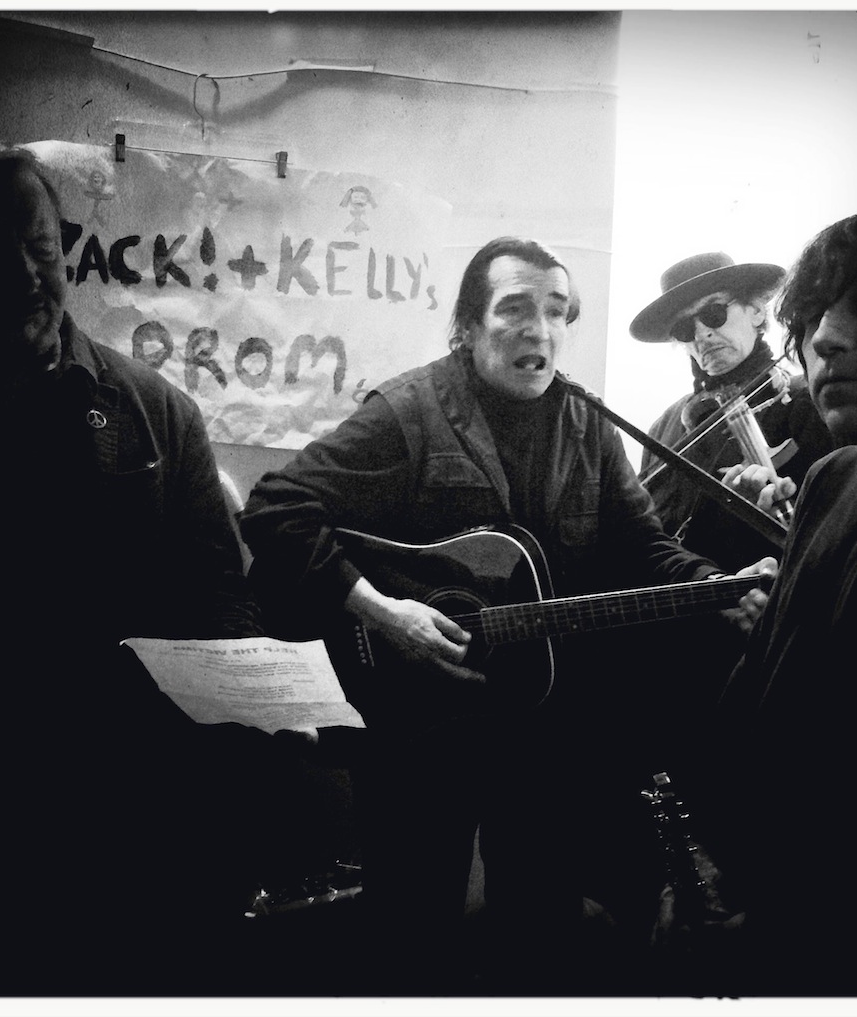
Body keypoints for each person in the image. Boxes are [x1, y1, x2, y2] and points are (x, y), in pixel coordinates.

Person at [238, 236, 771, 994]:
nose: (540, 331)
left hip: (545, 731)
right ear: (467, 325)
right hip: (416, 727)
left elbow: (644, 550)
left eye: (557, 312)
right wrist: (383, 610)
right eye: (515, 309)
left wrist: (722, 585)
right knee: (410, 928)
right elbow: (278, 508)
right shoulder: (407, 411)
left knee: (540, 929)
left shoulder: (587, 424)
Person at [0, 144, 270, 996]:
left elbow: (219, 604)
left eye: (40, 247)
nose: (22, 274)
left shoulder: (159, 411)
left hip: (141, 811)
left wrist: (256, 698)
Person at [712, 211, 857, 996]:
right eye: (810, 321)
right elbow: (760, 692)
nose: (824, 341)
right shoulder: (833, 481)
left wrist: (784, 924)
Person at [629, 252, 834, 573]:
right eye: (684, 328)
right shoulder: (665, 426)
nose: (701, 334)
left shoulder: (805, 400)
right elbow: (651, 536)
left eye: (713, 314)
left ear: (755, 311)